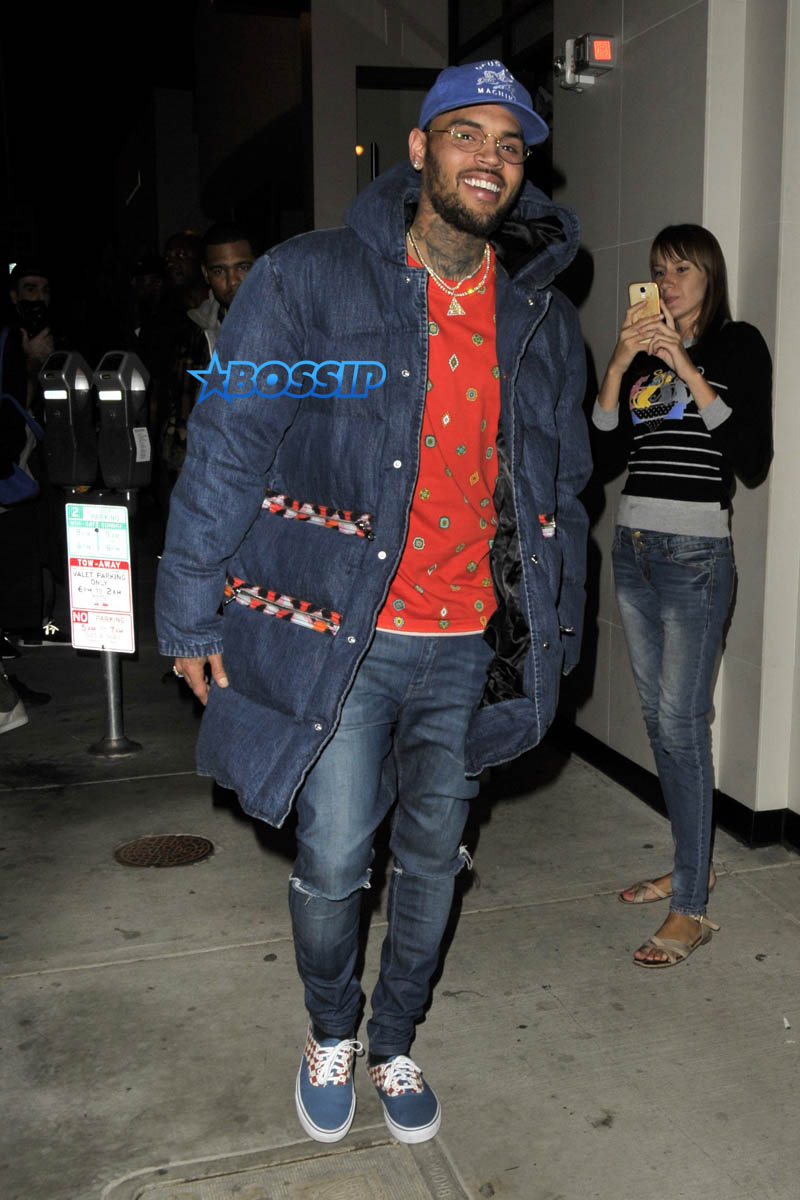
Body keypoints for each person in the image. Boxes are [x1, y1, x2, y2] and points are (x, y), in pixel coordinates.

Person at [156, 60, 590, 1143]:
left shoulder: (538, 318)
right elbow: (228, 443)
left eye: (510, 145)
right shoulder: (307, 280)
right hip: (343, 639)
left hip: (469, 642)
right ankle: (330, 1030)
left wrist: (557, 630)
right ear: (418, 148)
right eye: (466, 133)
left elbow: (562, 490)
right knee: (335, 859)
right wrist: (188, 608)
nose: (490, 158)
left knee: (435, 861)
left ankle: (394, 1040)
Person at [593, 224, 772, 968]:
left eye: (680, 270)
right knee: (662, 725)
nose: (666, 283)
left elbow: (751, 458)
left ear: (710, 277)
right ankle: (689, 865)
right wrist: (620, 362)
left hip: (696, 555)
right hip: (633, 547)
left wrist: (686, 366)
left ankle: (690, 908)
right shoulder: (640, 358)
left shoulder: (737, 346)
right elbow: (603, 454)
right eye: (658, 270)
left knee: (681, 723)